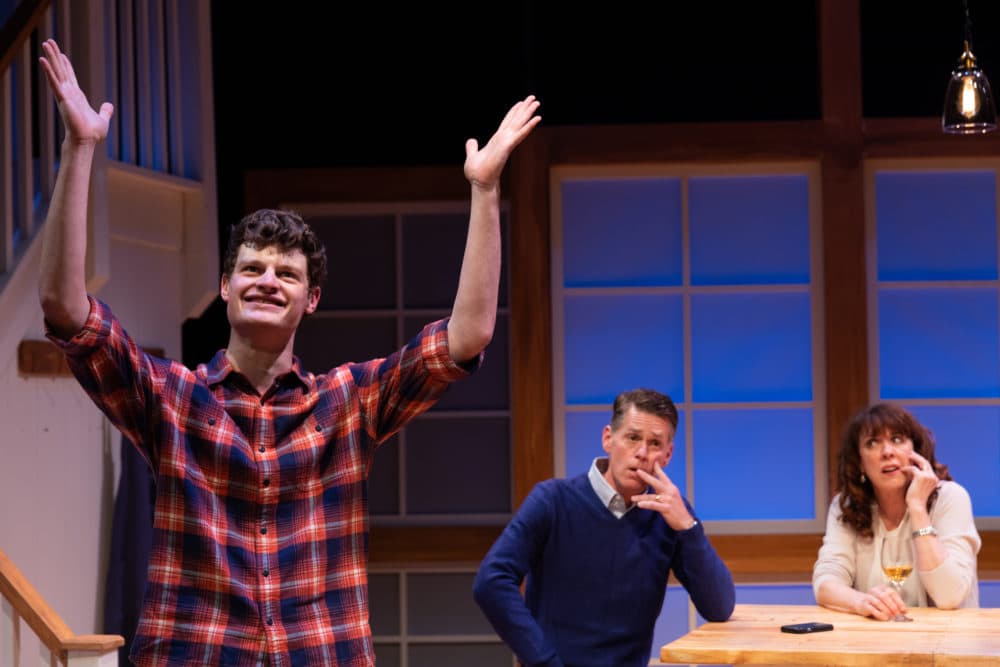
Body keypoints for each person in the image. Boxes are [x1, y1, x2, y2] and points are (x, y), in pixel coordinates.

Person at [37, 38, 540, 666]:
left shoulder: (347, 402)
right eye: (251, 268)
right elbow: (67, 310)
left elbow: (466, 338)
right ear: (224, 287)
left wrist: (485, 190)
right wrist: (80, 147)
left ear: (312, 300)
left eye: (286, 274)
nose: (267, 280)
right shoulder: (172, 398)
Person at [473, 388, 735, 667]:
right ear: (608, 438)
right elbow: (492, 581)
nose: (642, 453)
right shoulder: (553, 500)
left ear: (668, 455)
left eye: (655, 444)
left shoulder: (669, 514)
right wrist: (543, 661)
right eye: (633, 438)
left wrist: (687, 527)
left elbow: (718, 607)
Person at [813, 402, 981, 621]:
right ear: (860, 462)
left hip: (947, 643)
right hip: (875, 641)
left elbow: (950, 596)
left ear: (916, 451)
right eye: (872, 443)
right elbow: (826, 582)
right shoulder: (846, 505)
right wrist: (861, 602)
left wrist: (918, 508)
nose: (887, 452)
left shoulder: (950, 498)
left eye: (897, 439)